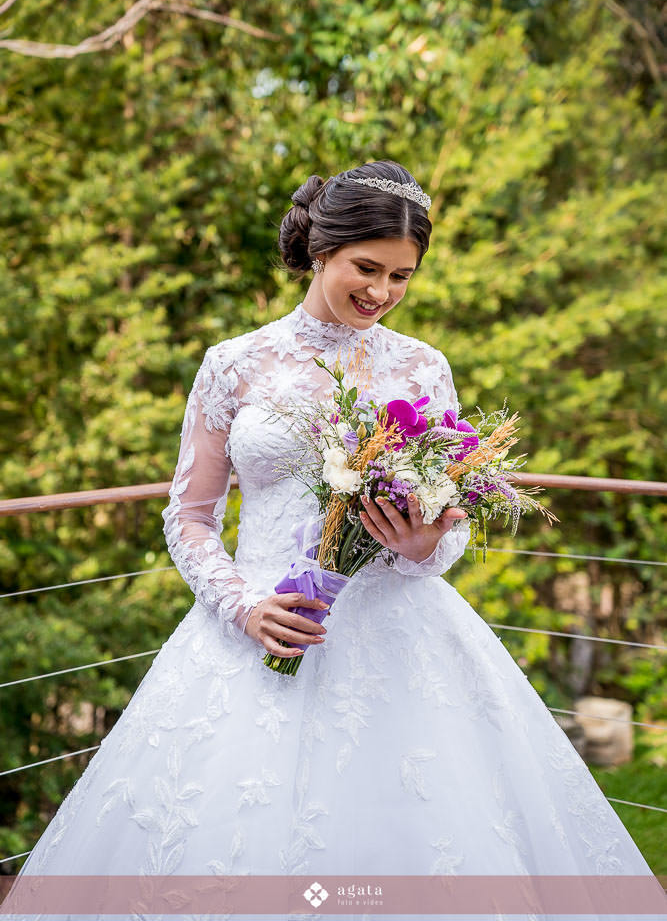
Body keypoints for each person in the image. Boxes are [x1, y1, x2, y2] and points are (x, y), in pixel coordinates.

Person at [6, 160, 663, 921]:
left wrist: (423, 548)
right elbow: (188, 515)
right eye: (366, 267)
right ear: (320, 251)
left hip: (399, 638)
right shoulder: (235, 363)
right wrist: (243, 607)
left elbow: (444, 528)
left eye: (402, 276)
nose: (380, 292)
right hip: (256, 631)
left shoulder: (422, 366)